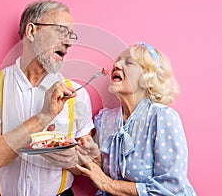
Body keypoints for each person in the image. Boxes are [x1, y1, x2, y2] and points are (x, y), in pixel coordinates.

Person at [0, 0, 94, 196]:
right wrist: (43, 116)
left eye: (71, 36)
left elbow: (89, 164)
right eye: (61, 31)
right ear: (31, 31)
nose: (69, 43)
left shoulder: (78, 94)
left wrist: (74, 160)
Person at [76, 42, 196, 195]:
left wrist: (109, 184)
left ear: (147, 76)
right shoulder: (104, 119)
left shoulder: (162, 118)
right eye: (118, 60)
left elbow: (169, 189)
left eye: (128, 62)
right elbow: (99, 178)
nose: (117, 65)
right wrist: (96, 160)